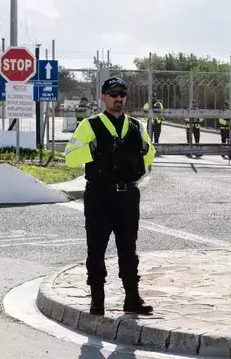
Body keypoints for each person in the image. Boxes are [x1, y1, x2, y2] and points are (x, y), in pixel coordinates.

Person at [64, 77, 155, 316]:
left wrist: (145, 151)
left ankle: (132, 298)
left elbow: (150, 154)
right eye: (112, 94)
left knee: (128, 248)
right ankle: (97, 300)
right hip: (99, 196)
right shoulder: (89, 125)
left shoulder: (136, 125)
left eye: (122, 94)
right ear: (102, 97)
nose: (118, 98)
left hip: (127, 195)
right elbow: (70, 157)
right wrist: (91, 149)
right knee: (96, 248)